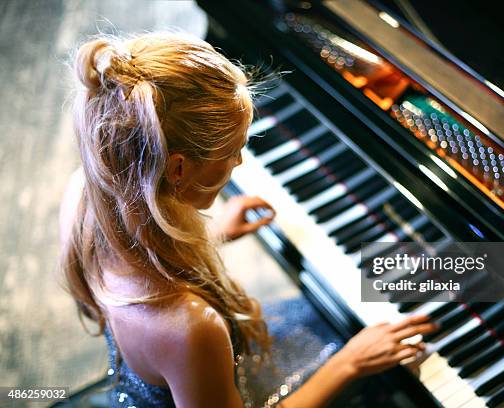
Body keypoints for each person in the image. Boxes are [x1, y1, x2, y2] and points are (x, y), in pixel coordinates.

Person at [58, 32, 437, 408]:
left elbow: (138, 271)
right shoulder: (191, 328)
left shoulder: (88, 197)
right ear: (177, 169)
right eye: (234, 150)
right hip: (201, 374)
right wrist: (348, 364)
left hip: (179, 367)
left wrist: (213, 233)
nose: (239, 162)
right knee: (368, 359)